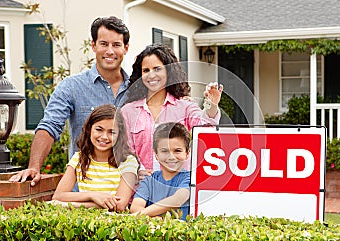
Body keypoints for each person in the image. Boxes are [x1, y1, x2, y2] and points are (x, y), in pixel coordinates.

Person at [10, 16, 131, 186]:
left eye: (116, 45)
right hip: (84, 193)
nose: (110, 51)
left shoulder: (138, 89)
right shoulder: (72, 86)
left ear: (125, 48)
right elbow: (49, 126)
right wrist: (34, 167)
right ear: (93, 45)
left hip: (130, 192)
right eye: (104, 44)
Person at [121, 44, 223, 174]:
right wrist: (137, 171)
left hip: (179, 188)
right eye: (146, 70)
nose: (151, 75)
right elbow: (125, 151)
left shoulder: (185, 106)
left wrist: (212, 105)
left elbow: (206, 129)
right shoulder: (128, 111)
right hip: (142, 188)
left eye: (157, 69)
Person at [51, 104, 138, 211]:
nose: (104, 137)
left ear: (119, 134)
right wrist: (93, 195)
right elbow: (59, 195)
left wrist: (73, 205)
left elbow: (119, 205)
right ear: (89, 129)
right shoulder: (79, 158)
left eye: (112, 132)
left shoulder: (128, 162)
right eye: (99, 129)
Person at [130, 122, 191, 220]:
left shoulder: (190, 178)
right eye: (165, 151)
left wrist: (143, 215)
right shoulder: (149, 180)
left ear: (187, 153)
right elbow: (135, 207)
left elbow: (178, 200)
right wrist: (153, 219)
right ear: (156, 155)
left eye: (177, 151)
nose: (171, 157)